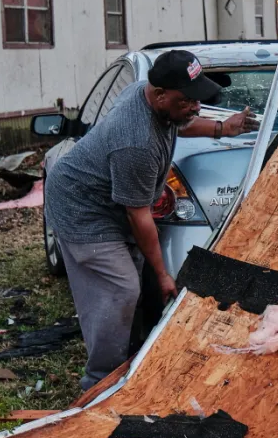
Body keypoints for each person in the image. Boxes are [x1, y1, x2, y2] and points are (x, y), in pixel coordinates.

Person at [44, 50, 254, 389]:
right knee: (121, 288)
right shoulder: (136, 143)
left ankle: (134, 355)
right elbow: (139, 215)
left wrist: (221, 128)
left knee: (135, 275)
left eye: (197, 99)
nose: (195, 107)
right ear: (159, 96)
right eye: (187, 100)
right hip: (81, 208)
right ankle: (100, 381)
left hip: (108, 199)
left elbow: (180, 124)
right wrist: (162, 274)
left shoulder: (152, 96)